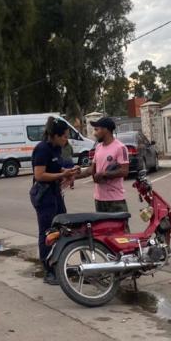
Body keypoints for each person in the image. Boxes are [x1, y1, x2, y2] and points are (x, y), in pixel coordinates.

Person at [30, 117, 79, 285]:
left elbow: (57, 169)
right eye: (64, 136)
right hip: (44, 195)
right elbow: (39, 175)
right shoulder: (42, 149)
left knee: (61, 228)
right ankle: (48, 270)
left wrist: (69, 172)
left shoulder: (57, 149)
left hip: (55, 193)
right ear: (55, 135)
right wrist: (61, 175)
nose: (66, 139)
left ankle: (58, 263)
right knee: (47, 232)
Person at [78, 117, 129, 214]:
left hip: (115, 200)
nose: (94, 133)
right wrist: (73, 176)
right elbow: (91, 170)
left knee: (120, 229)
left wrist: (103, 174)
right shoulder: (98, 147)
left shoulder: (120, 147)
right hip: (99, 199)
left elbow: (124, 171)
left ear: (105, 130)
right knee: (102, 229)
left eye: (97, 129)